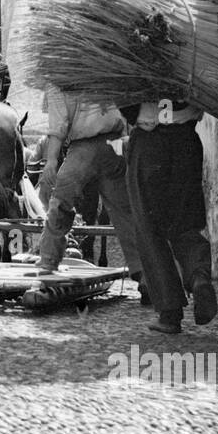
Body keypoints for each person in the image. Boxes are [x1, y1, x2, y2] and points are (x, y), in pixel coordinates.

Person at [34, 85, 145, 301]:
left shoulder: (59, 82)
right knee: (125, 211)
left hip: (83, 148)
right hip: (115, 145)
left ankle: (48, 263)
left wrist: (51, 161)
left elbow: (58, 127)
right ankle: (145, 276)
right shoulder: (103, 72)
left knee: (61, 202)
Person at [120, 97, 215, 334]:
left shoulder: (136, 64)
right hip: (186, 142)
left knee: (149, 229)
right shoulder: (196, 64)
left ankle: (169, 312)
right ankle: (198, 277)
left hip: (149, 143)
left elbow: (125, 102)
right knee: (187, 221)